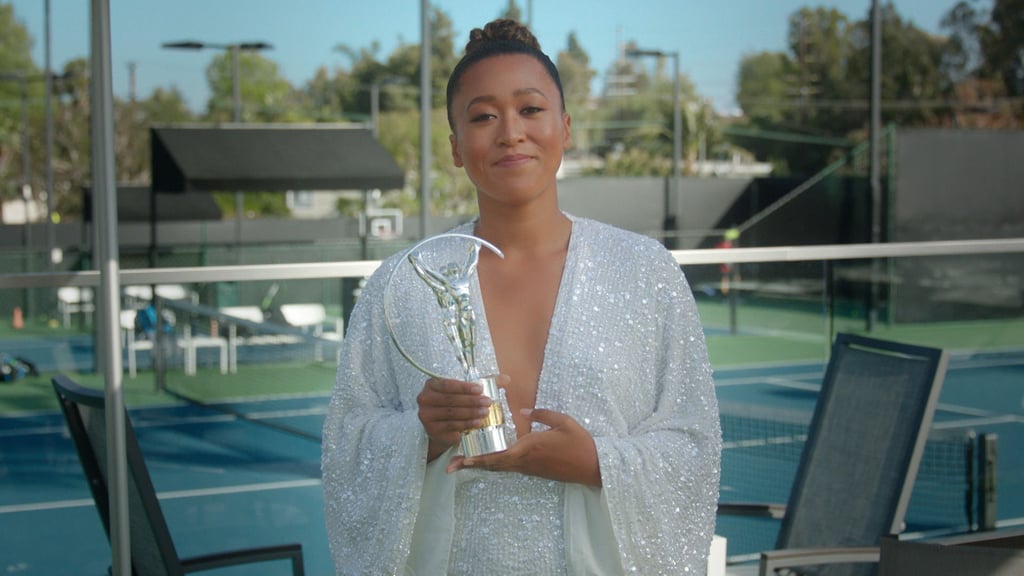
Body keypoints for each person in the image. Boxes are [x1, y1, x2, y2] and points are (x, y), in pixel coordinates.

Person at [322, 18, 721, 575]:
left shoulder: (644, 272)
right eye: (483, 116)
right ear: (457, 147)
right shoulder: (404, 283)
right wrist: (424, 436)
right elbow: (347, 445)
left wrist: (596, 463)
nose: (510, 132)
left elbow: (693, 445)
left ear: (566, 126)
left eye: (530, 110)